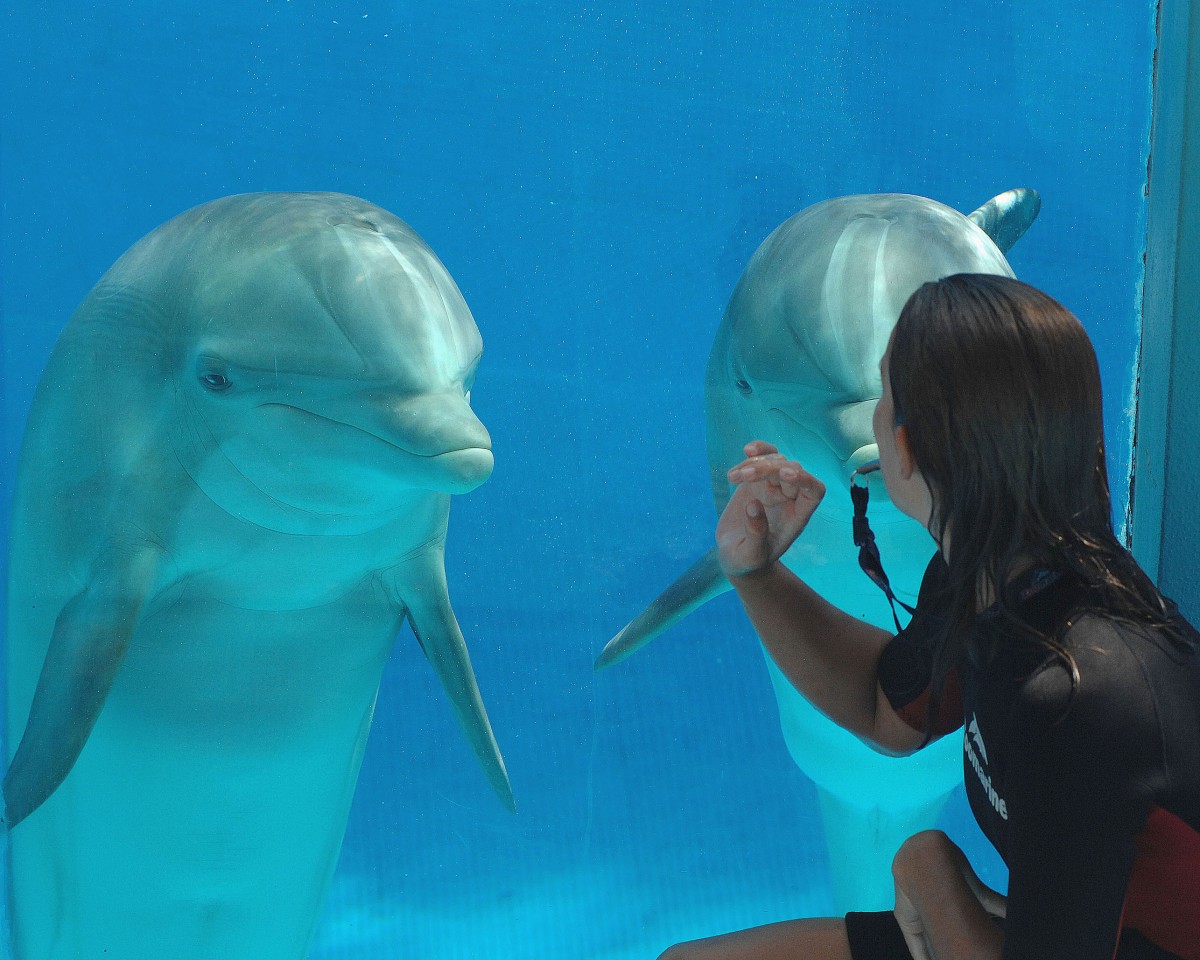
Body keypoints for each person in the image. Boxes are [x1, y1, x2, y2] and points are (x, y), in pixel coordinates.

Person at [658, 274, 1200, 960]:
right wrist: (755, 571)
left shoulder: (1081, 693)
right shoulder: (988, 575)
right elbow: (886, 712)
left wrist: (928, 870)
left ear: (906, 447)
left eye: (883, 393)